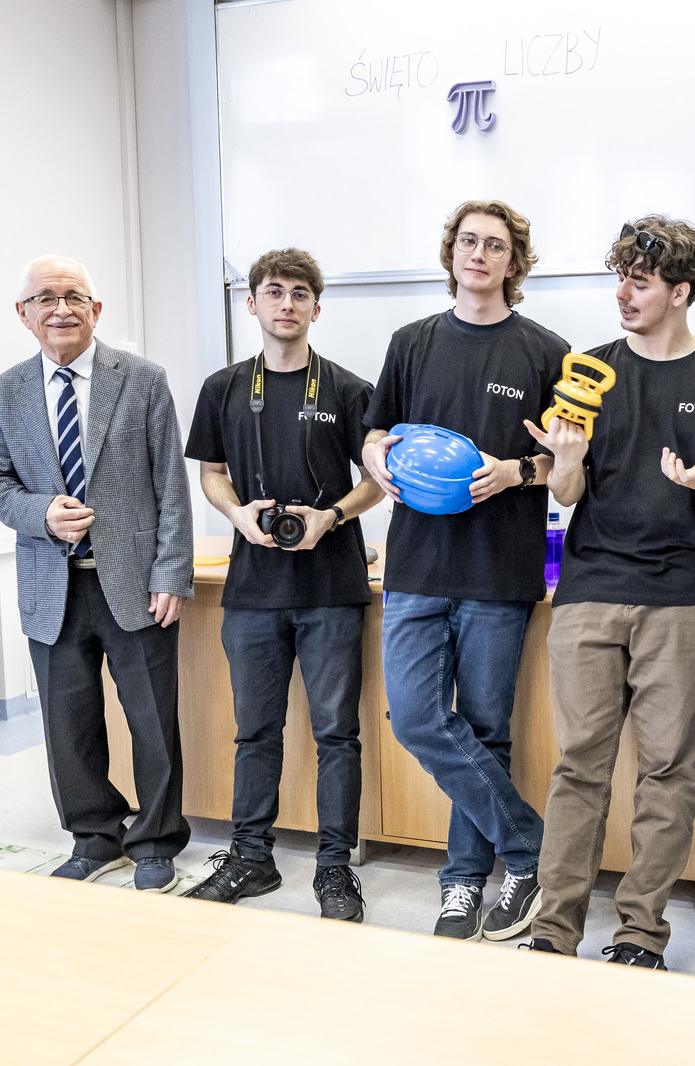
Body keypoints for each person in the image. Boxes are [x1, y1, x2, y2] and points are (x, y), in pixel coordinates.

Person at [522, 216, 695, 969]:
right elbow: (565, 492)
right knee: (579, 766)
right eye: (619, 279)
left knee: (667, 773)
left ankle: (639, 935)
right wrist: (566, 457)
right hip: (589, 590)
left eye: (641, 282)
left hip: (684, 597)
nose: (624, 294)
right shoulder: (587, 371)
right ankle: (554, 927)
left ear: (680, 292)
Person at [361, 200, 564, 941]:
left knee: (485, 729)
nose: (479, 253)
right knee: (417, 718)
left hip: (498, 570)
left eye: (495, 245)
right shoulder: (411, 343)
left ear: (514, 262)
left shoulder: (545, 351)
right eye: (468, 241)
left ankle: (463, 883)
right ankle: (529, 848)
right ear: (452, 253)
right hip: (416, 567)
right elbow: (375, 434)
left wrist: (516, 471)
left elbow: (567, 465)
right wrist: (375, 458)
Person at [0, 255, 193, 892]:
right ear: (24, 314)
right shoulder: (3, 393)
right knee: (69, 726)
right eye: (45, 298)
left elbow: (170, 483)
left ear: (96, 309)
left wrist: (171, 574)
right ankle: (95, 837)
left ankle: (155, 842)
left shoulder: (142, 379)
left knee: (152, 722)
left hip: (135, 585)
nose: (61, 308)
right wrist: (40, 513)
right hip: (52, 587)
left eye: (74, 296)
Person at [183, 248, 385, 920]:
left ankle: (335, 868)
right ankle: (250, 858)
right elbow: (212, 471)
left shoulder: (350, 390)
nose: (287, 304)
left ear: (316, 309)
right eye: (274, 291)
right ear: (252, 303)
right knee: (255, 732)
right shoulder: (222, 388)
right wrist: (238, 514)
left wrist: (331, 517)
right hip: (253, 588)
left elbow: (377, 479)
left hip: (332, 586)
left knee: (337, 735)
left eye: (300, 293)